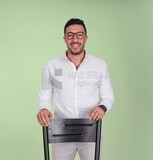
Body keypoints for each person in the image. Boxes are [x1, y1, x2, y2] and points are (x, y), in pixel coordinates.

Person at [37, 18, 114, 160]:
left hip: (90, 129)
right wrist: (43, 108)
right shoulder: (53, 66)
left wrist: (102, 107)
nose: (75, 39)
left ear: (86, 37)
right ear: (64, 38)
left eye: (79, 34)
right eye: (70, 35)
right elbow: (46, 94)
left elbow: (108, 96)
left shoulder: (99, 65)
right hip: (61, 131)